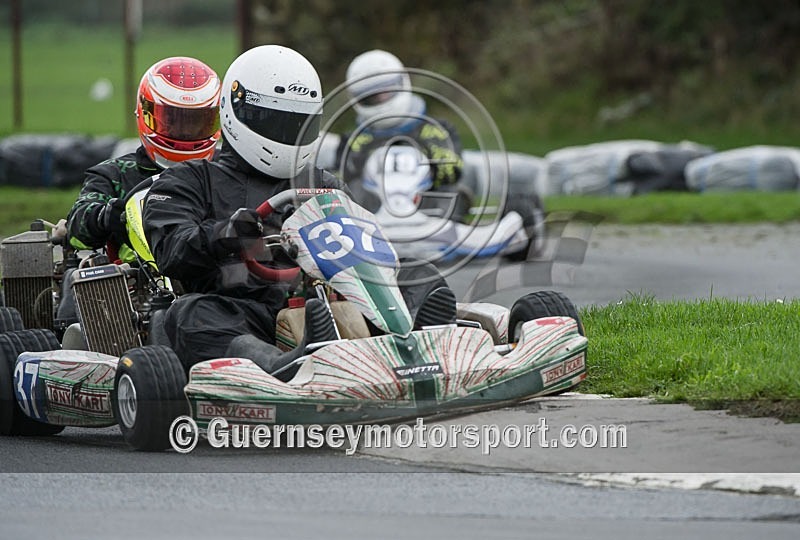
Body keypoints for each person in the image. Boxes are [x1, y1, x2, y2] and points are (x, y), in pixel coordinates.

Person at [143, 45, 346, 374]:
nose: (287, 135)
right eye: (275, 122)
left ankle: (422, 338)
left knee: (413, 275)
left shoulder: (323, 184)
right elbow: (170, 248)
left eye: (297, 124)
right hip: (239, 313)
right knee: (189, 313)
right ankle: (278, 365)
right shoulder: (190, 180)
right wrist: (225, 234)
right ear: (235, 109)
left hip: (319, 305)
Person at [65, 56, 222, 262]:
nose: (184, 132)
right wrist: (104, 217)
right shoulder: (115, 175)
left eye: (194, 122)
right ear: (145, 113)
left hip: (219, 276)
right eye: (172, 121)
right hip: (142, 283)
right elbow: (76, 229)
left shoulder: (224, 169)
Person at [335, 49, 471, 220]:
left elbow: (452, 172)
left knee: (452, 191)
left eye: (386, 91)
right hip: (373, 218)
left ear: (402, 83)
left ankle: (446, 232)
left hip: (429, 214)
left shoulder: (436, 130)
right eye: (372, 96)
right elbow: (345, 184)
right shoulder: (355, 141)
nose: (382, 99)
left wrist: (428, 165)